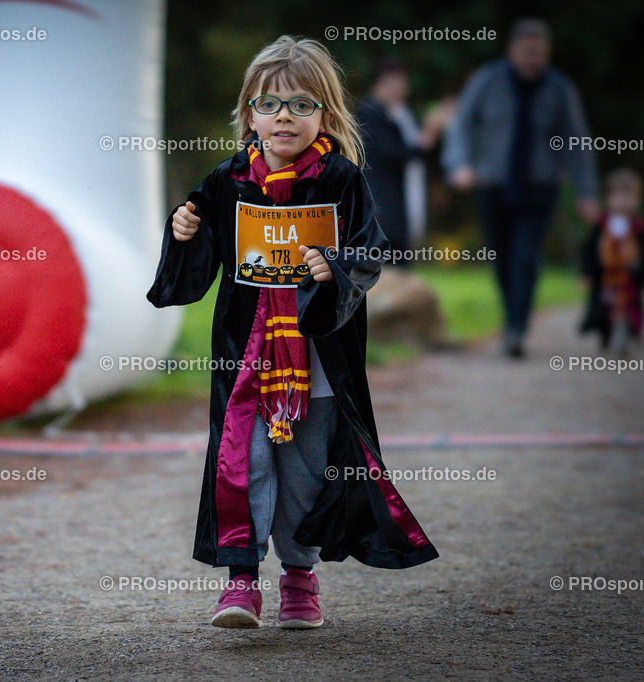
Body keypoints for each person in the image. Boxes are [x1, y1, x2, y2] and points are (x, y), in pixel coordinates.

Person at [146, 36, 438, 630]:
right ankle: (243, 582)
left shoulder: (343, 181)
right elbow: (194, 268)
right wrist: (181, 233)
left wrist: (336, 266)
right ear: (249, 115)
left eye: (302, 105)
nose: (285, 116)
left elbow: (369, 254)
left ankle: (300, 578)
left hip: (320, 360)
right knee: (244, 462)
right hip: (245, 355)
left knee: (306, 472)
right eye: (271, 104)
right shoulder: (226, 181)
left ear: (324, 115)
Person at [442, 18, 599, 358]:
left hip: (540, 188)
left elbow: (577, 141)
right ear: (512, 50)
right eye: (526, 51)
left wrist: (586, 192)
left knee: (525, 258)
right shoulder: (488, 80)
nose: (532, 58)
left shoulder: (559, 89)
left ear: (547, 53)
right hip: (494, 185)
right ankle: (512, 317)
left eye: (539, 52)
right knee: (501, 259)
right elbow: (461, 124)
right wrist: (459, 165)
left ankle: (515, 328)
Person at [355, 58, 450, 259]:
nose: (405, 88)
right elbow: (390, 153)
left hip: (392, 200)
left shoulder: (395, 113)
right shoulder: (370, 113)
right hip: (381, 201)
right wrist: (428, 137)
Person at [580, 168, 644, 355]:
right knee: (603, 308)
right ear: (608, 197)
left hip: (629, 279)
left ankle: (624, 335)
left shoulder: (637, 228)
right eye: (618, 195)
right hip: (606, 278)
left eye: (628, 195)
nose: (622, 201)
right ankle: (607, 334)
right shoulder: (602, 226)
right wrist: (587, 272)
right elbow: (589, 250)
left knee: (629, 308)